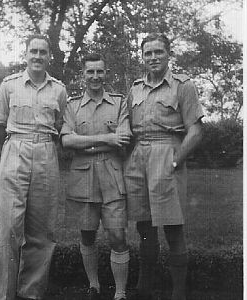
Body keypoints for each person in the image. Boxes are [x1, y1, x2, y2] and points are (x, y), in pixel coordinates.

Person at [124, 33, 203, 300]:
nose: (153, 57)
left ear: (169, 54)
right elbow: (127, 129)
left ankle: (178, 292)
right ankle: (145, 288)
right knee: (144, 228)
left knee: (173, 226)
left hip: (167, 155)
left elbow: (196, 131)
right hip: (138, 159)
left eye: (158, 52)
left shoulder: (183, 86)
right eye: (148, 53)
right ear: (142, 57)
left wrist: (174, 160)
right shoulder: (135, 88)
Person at [0, 34, 67, 300]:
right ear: (25, 54)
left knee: (42, 229)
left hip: (46, 152)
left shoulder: (59, 89)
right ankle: (5, 295)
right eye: (33, 51)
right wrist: (11, 152)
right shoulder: (9, 85)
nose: (37, 56)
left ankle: (30, 293)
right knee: (10, 227)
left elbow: (61, 125)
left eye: (42, 52)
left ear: (49, 57)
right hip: (15, 150)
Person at [61, 53, 131, 300]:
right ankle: (94, 285)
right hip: (83, 178)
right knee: (87, 233)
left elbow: (123, 138)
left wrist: (85, 144)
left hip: (112, 176)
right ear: (83, 75)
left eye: (99, 71)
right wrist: (106, 139)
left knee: (117, 235)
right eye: (90, 72)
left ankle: (120, 292)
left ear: (106, 73)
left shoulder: (120, 102)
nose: (95, 77)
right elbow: (67, 140)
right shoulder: (72, 105)